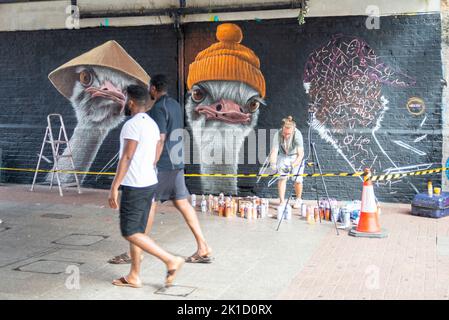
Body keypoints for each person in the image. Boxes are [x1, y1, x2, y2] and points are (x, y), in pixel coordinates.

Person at [108, 75, 212, 265]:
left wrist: (152, 163)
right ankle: (203, 246)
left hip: (162, 165)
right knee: (183, 204)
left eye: (149, 88)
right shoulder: (174, 105)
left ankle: (136, 252)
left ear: (153, 89)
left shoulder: (157, 108)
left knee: (149, 207)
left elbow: (160, 138)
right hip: (177, 163)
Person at [108, 85, 184, 288]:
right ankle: (134, 275)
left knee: (129, 231)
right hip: (150, 181)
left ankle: (170, 260)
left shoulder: (132, 125)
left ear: (131, 102)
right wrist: (150, 164)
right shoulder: (150, 123)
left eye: (124, 99)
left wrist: (115, 186)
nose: (123, 103)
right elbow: (159, 145)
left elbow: (127, 155)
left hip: (135, 185)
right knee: (139, 230)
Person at [269, 116, 305, 209]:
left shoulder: (298, 134)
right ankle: (282, 202)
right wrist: (273, 164)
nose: (286, 135)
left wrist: (292, 166)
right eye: (284, 133)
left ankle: (298, 199)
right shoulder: (278, 134)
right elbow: (274, 151)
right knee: (282, 177)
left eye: (288, 134)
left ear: (293, 130)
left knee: (297, 180)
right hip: (283, 155)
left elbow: (301, 155)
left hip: (295, 155)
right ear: (282, 128)